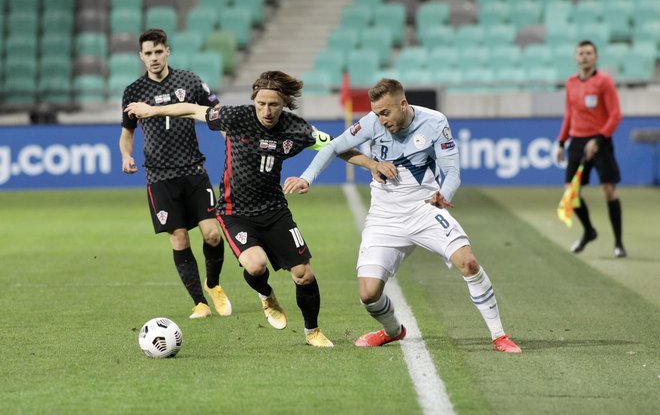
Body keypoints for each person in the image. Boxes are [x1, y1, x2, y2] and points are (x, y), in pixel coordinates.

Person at [125, 70, 381, 347]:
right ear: (254, 101)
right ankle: (266, 295)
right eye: (261, 104)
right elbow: (192, 109)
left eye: (273, 104)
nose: (266, 111)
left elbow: (336, 147)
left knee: (304, 274)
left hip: (274, 209)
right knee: (256, 266)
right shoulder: (237, 117)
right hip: (235, 212)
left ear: (284, 103)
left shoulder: (296, 128)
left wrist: (374, 165)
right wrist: (152, 110)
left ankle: (313, 332)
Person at [283, 78, 521, 353]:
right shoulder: (372, 122)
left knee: (468, 262)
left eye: (385, 113)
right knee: (368, 294)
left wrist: (445, 195)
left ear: (403, 104)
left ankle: (499, 335)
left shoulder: (435, 122)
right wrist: (307, 178)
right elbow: (333, 147)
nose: (381, 120)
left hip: (425, 209)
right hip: (384, 215)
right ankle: (393, 331)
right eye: (376, 114)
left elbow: (452, 171)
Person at [119, 29, 232, 320]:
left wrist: (229, 140)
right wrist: (126, 154)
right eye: (148, 53)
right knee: (179, 238)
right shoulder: (133, 92)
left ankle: (213, 284)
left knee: (213, 235)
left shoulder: (189, 80)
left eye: (158, 51)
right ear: (140, 56)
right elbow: (127, 133)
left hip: (193, 171)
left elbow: (216, 112)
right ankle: (199, 303)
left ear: (167, 51)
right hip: (159, 177)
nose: (154, 58)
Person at [555, 40, 626, 258]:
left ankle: (618, 243)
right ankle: (589, 231)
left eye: (589, 53)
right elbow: (569, 114)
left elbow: (615, 115)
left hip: (600, 141)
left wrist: (599, 138)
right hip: (577, 141)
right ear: (576, 58)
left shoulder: (604, 82)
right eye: (581, 53)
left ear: (595, 57)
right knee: (571, 193)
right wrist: (561, 142)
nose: (585, 57)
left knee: (608, 190)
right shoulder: (571, 83)